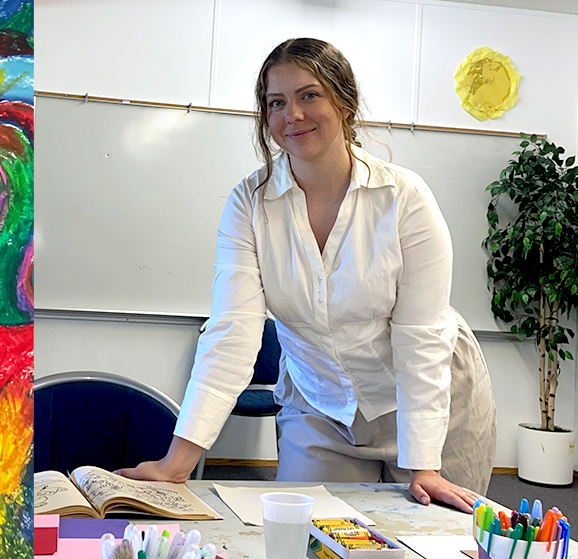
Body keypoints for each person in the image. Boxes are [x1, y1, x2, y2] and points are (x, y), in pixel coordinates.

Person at [117, 38, 496, 514]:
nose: (292, 114)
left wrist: (423, 464)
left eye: (309, 95)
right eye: (276, 102)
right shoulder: (249, 204)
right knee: (304, 537)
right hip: (320, 404)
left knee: (434, 542)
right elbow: (233, 332)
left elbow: (420, 337)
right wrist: (178, 463)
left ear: (345, 102)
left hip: (430, 395)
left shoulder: (404, 198)